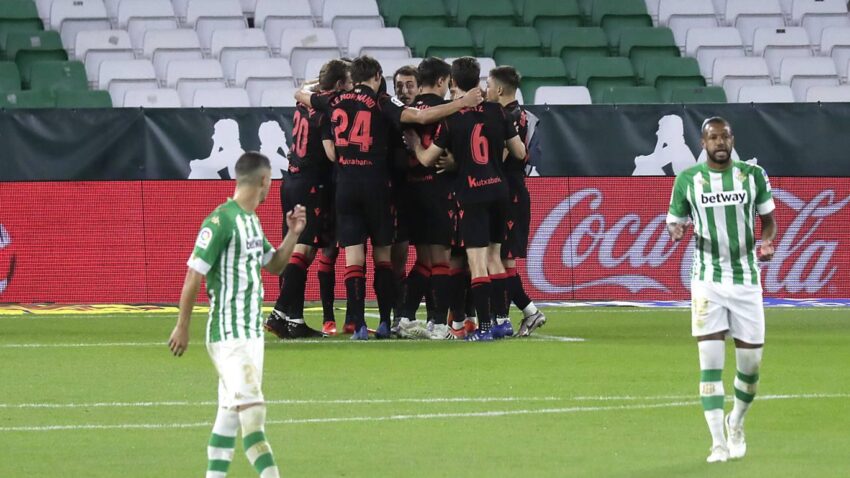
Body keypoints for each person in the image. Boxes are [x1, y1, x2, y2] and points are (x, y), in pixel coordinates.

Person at [312, 55, 483, 340]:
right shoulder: (383, 102)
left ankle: (364, 323)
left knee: (358, 258)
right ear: (378, 76)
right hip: (387, 188)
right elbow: (423, 120)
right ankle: (398, 321)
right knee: (396, 258)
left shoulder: (334, 100)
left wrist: (309, 87)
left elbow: (304, 95)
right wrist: (463, 103)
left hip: (356, 188)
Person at [168, 152, 307, 478]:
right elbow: (193, 275)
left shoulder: (251, 222)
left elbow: (275, 265)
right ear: (264, 180)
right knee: (253, 415)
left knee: (229, 417)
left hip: (251, 336)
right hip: (229, 335)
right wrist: (182, 326)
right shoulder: (221, 221)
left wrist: (293, 233)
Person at [666, 117, 777, 463]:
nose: (719, 142)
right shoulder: (688, 180)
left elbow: (768, 221)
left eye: (724, 136)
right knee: (710, 363)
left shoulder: (753, 176)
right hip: (707, 281)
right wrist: (675, 230)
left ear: (732, 139)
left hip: (746, 279)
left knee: (751, 366)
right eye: (713, 137)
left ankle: (736, 422)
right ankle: (717, 443)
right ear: (703, 143)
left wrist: (767, 242)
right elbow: (674, 220)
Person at [405, 57, 526, 341]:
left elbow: (428, 159)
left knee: (477, 262)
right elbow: (520, 152)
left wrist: (415, 145)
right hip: (499, 191)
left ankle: (483, 328)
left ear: (453, 82)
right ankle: (502, 321)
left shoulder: (452, 119)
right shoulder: (498, 112)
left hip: (472, 194)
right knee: (495, 257)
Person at [265, 59, 352, 339]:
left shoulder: (304, 101)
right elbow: (331, 153)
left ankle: (294, 319)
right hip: (311, 184)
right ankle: (279, 313)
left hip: (291, 180)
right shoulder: (326, 110)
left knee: (295, 248)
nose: (352, 87)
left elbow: (303, 88)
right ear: (338, 84)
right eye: (349, 81)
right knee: (303, 251)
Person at [485, 66, 546, 337]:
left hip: (509, 192)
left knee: (502, 261)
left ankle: (526, 312)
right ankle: (514, 313)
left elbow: (501, 157)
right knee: (501, 259)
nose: (486, 90)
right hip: (514, 189)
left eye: (488, 86)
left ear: (499, 89)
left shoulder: (507, 117)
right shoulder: (520, 114)